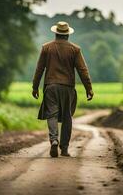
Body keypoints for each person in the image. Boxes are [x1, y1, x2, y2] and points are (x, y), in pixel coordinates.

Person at [32, 21, 94, 157]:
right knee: (67, 117)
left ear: (55, 33)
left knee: (52, 115)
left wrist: (35, 87)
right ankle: (64, 148)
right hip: (68, 88)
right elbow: (83, 70)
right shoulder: (75, 49)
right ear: (67, 35)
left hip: (51, 86)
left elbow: (39, 69)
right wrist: (88, 88)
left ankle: (54, 140)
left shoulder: (46, 48)